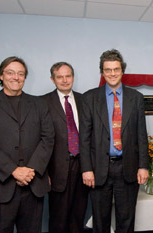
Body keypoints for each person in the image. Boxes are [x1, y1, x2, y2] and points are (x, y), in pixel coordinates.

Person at [0, 56, 54, 233]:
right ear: (1, 76)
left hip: (33, 184)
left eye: (21, 73)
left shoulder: (39, 104)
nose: (16, 77)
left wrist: (31, 169)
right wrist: (14, 170)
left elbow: (48, 138)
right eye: (10, 73)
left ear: (25, 77)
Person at [80, 49, 149, 233]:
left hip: (128, 167)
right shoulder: (89, 98)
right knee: (100, 221)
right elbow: (84, 138)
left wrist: (143, 166)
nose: (112, 73)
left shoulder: (136, 98)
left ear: (122, 71)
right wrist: (86, 169)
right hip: (98, 168)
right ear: (102, 72)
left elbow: (141, 135)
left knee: (126, 220)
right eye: (108, 70)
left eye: (116, 69)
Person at [42, 62, 89, 233]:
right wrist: (43, 172)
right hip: (56, 169)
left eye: (68, 76)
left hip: (82, 166)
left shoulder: (85, 100)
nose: (64, 80)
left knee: (79, 214)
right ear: (52, 79)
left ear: (73, 77)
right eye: (59, 77)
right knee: (58, 217)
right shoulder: (42, 102)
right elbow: (39, 140)